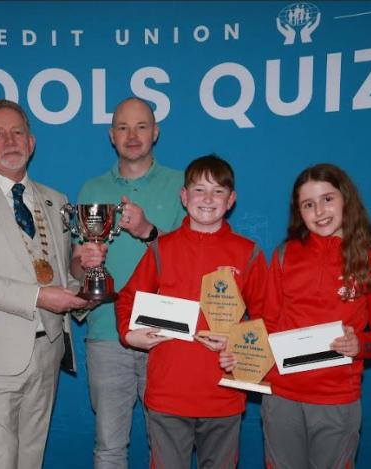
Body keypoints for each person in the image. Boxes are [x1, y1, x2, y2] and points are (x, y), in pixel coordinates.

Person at [0, 99, 96, 468]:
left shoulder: (55, 199)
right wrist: (41, 297)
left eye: (18, 132)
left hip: (49, 350)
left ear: (32, 141)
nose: (10, 141)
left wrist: (83, 274)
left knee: (31, 459)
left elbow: (62, 270)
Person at [222, 163, 371, 469]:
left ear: (346, 198)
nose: (319, 211)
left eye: (327, 199)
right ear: (298, 212)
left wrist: (360, 344)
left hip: (336, 398)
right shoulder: (283, 255)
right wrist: (241, 357)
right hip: (282, 396)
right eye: (308, 204)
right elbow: (266, 323)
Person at [115, 155, 267, 468]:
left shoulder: (248, 252)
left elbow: (268, 319)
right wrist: (130, 336)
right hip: (168, 393)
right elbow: (128, 297)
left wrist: (240, 348)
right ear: (184, 197)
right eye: (199, 190)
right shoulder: (162, 248)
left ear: (231, 200)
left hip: (223, 396)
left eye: (218, 191)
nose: (208, 199)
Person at [72, 97, 185, 468]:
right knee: (108, 446)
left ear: (156, 132)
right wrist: (84, 263)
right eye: (122, 127)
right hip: (106, 332)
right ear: (111, 136)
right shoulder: (91, 189)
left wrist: (147, 230)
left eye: (140, 126)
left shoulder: (182, 185)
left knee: (168, 445)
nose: (131, 135)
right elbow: (76, 265)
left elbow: (193, 260)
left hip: (167, 333)